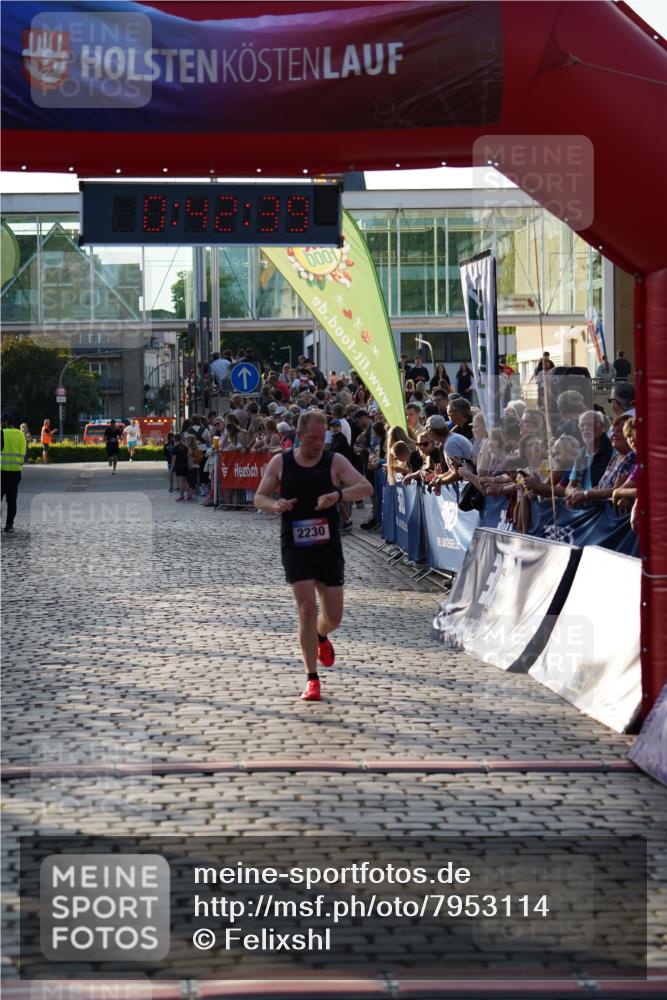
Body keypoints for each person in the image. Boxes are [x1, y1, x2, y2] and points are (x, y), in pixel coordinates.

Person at [254, 410, 373, 702]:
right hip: (295, 543)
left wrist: (338, 496)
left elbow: (365, 487)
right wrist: (275, 504)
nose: (320, 443)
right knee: (306, 608)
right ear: (300, 435)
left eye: (323, 438)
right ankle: (312, 678)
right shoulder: (281, 462)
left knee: (333, 615)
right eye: (314, 438)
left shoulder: (335, 461)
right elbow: (260, 497)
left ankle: (322, 636)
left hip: (328, 544)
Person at [1, 412, 26, 533]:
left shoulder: (2, 433)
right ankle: (9, 525)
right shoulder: (21, 434)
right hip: (16, 473)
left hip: (2, 472)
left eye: (1, 422)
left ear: (5, 422)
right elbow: (23, 453)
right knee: (12, 501)